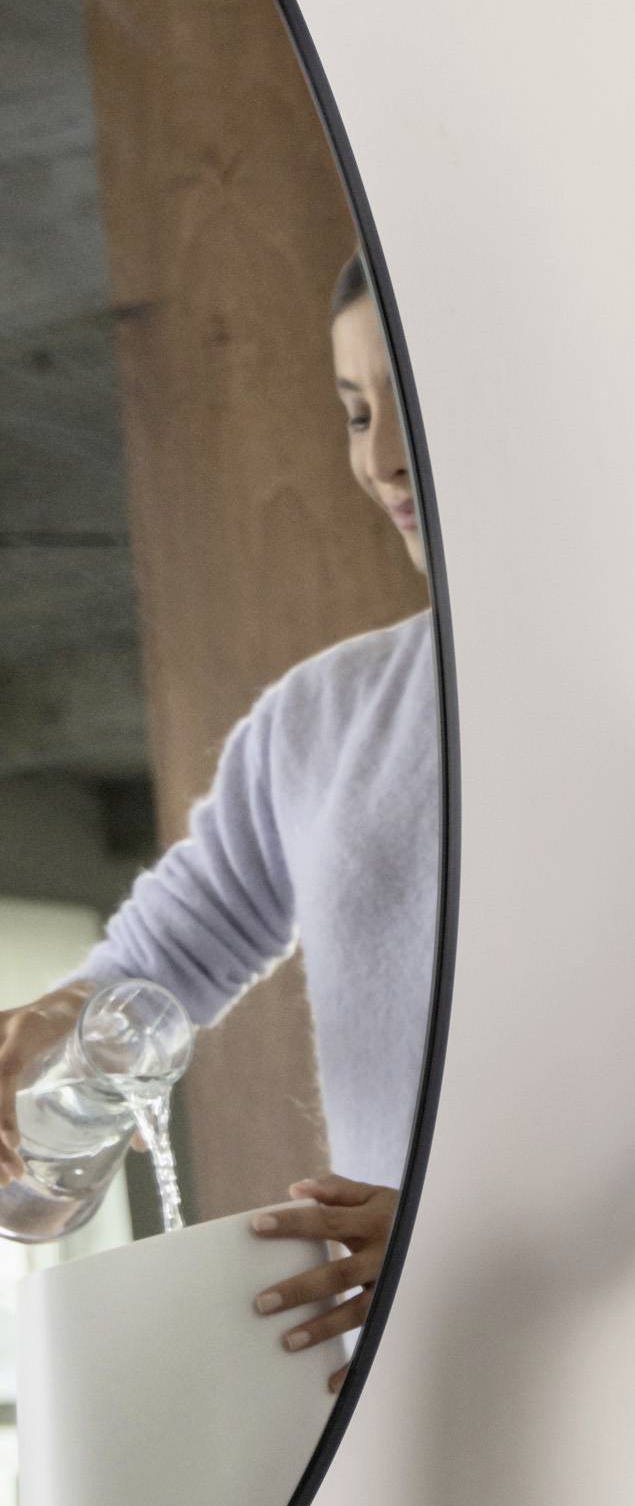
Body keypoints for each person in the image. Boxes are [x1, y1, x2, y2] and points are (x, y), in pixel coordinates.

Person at [0, 255, 440, 1386]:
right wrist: (50, 1031)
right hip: (385, 1369)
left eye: (408, 401)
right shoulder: (320, 719)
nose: (381, 459)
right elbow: (166, 961)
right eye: (354, 413)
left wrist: (455, 1233)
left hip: (615, 1345)